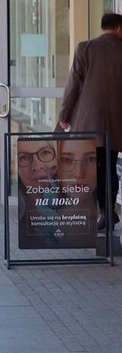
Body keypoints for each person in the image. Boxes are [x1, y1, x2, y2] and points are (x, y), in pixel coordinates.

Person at [60, 12, 122, 231]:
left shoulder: (85, 48)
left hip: (90, 121)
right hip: (117, 122)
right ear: (119, 29)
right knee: (110, 165)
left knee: (94, 168)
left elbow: (73, 85)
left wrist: (64, 115)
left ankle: (104, 211)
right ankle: (109, 211)